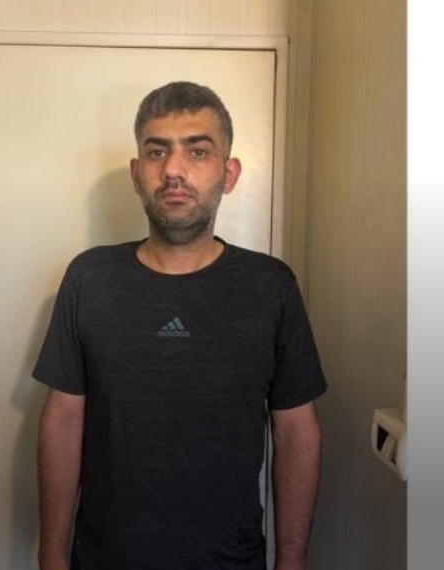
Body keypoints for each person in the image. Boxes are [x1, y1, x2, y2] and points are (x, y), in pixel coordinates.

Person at [34, 81, 327, 570]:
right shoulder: (89, 279)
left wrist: (292, 562)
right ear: (136, 174)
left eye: (197, 150)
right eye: (156, 151)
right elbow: (63, 421)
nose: (173, 169)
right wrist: (51, 558)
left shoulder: (270, 287)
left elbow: (296, 431)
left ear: (228, 173)